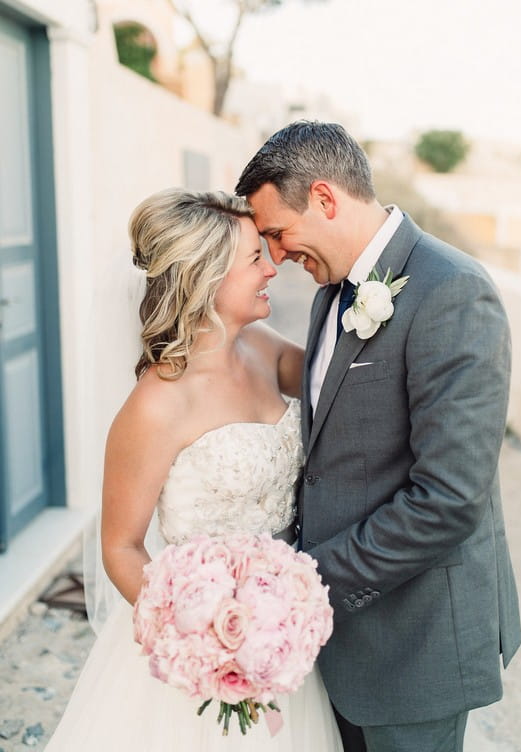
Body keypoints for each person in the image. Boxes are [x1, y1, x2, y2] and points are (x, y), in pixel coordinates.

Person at [236, 121, 521, 752]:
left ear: (325, 199)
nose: (277, 256)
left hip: (415, 643)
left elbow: (448, 498)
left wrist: (305, 581)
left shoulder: (454, 292)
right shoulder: (329, 293)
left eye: (278, 233)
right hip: (336, 646)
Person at [45, 189, 343, 751]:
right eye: (255, 258)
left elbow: (341, 383)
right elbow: (122, 547)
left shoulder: (263, 349)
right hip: (202, 642)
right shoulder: (156, 406)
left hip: (282, 630)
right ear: (205, 280)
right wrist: (204, 637)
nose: (272, 267)